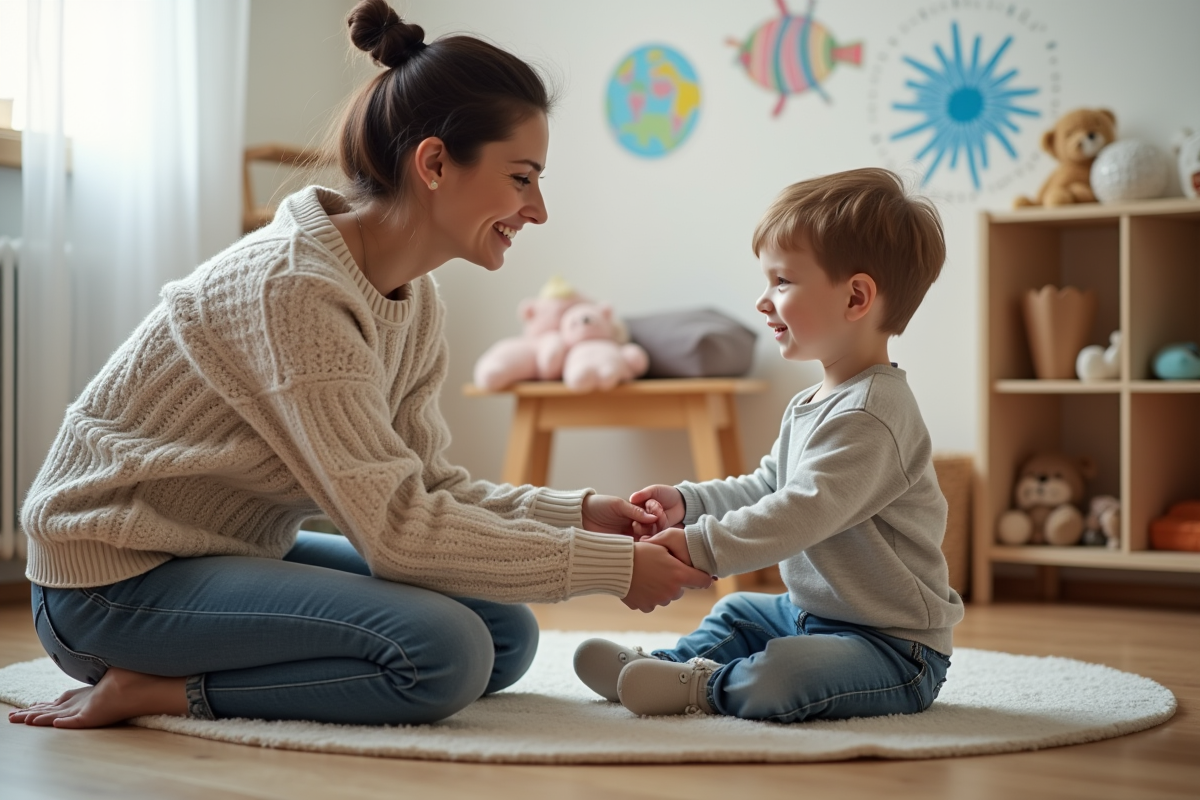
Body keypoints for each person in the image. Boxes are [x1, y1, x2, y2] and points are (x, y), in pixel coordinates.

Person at [9, 0, 711, 731]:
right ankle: (156, 689)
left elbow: (427, 485)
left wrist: (583, 518)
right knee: (444, 653)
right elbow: (398, 532)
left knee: (504, 632)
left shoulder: (413, 298)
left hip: (221, 548)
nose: (537, 210)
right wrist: (611, 570)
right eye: (522, 178)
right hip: (109, 583)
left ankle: (192, 669)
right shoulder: (293, 288)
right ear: (435, 162)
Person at [573, 168, 965, 722]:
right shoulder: (813, 401)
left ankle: (699, 687)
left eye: (782, 282)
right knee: (737, 611)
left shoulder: (873, 414)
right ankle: (664, 664)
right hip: (805, 612)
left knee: (786, 674)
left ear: (856, 297)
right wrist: (689, 502)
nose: (763, 301)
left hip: (893, 647)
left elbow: (800, 513)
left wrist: (699, 544)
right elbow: (766, 487)